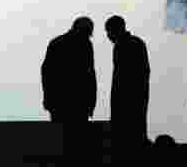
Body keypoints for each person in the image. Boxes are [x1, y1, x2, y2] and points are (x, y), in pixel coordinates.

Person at [104, 15, 150, 158]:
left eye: (108, 32)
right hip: (138, 96)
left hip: (126, 98)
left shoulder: (123, 45)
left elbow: (123, 77)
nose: (108, 36)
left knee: (126, 135)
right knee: (137, 129)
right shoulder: (137, 43)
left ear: (113, 30)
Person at [41, 17, 96, 123]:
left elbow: (46, 73)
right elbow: (90, 76)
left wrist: (48, 99)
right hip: (79, 103)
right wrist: (91, 103)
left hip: (59, 102)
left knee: (61, 136)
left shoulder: (57, 43)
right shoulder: (86, 45)